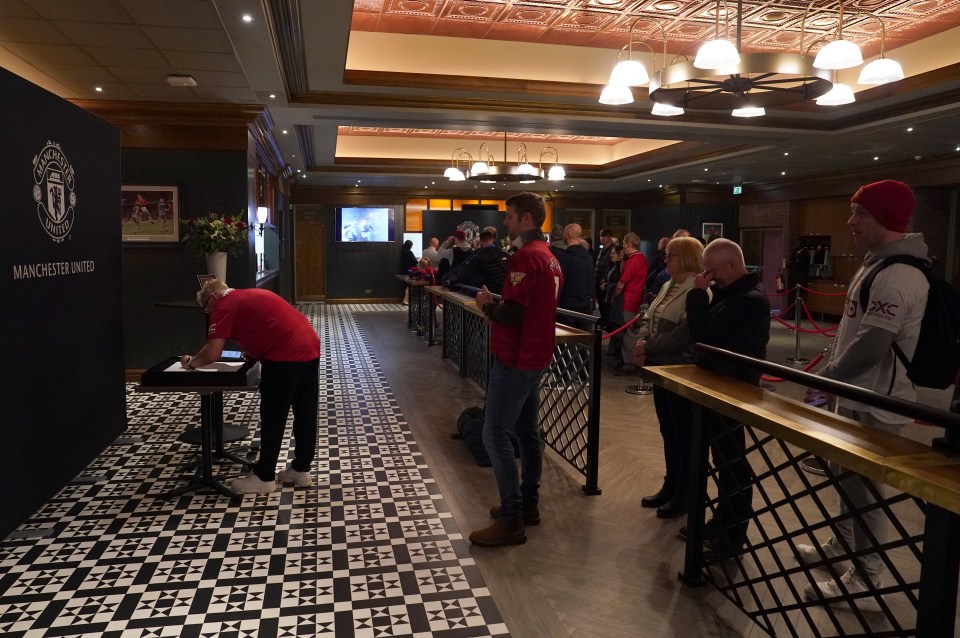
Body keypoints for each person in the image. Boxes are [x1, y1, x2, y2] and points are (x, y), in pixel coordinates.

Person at [797, 180, 929, 608]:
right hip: (855, 394)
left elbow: (871, 346)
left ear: (887, 218)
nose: (851, 222)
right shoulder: (876, 265)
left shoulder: (898, 274)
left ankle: (867, 579)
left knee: (867, 493)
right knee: (848, 483)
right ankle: (842, 548)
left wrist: (824, 381)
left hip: (877, 401)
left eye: (862, 214)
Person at [469, 192, 562, 547]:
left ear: (525, 219)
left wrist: (487, 306)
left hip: (516, 357)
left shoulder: (525, 258)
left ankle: (511, 518)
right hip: (536, 354)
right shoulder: (551, 258)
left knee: (495, 435)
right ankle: (528, 504)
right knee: (527, 432)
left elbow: (514, 314)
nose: (505, 223)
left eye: (509, 217)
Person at [180, 279, 321, 494]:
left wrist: (191, 362)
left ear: (213, 297)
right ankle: (301, 469)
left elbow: (212, 353)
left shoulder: (224, 305)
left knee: (273, 417)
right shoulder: (250, 294)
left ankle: (264, 477)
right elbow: (269, 324)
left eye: (206, 308)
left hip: (283, 358)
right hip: (310, 349)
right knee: (305, 413)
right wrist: (255, 352)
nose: (208, 313)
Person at [685, 238, 770, 559]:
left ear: (733, 266)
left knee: (733, 465)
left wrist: (696, 294)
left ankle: (731, 536)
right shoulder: (734, 294)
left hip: (734, 389)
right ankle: (720, 523)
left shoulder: (749, 301)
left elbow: (704, 334)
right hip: (719, 386)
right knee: (725, 461)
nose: (710, 278)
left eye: (713, 271)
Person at [635, 237, 705, 518]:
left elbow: (685, 333)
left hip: (679, 370)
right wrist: (642, 342)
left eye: (671, 256)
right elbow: (647, 318)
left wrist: (648, 346)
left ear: (686, 258)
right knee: (668, 430)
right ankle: (671, 483)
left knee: (682, 434)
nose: (665, 261)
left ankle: (685, 492)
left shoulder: (697, 289)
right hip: (660, 368)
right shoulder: (668, 284)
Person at [613, 232, 648, 376]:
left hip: (628, 300)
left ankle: (629, 363)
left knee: (628, 334)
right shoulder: (642, 258)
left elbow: (622, 283)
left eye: (624, 243)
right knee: (631, 332)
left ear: (627, 244)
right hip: (636, 299)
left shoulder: (632, 261)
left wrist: (614, 295)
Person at [550, 223, 595, 329]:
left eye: (565, 232)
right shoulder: (588, 257)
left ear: (569, 234)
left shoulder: (565, 257)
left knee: (566, 341)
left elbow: (560, 281)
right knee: (583, 340)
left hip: (567, 307)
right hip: (585, 306)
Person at [443, 226, 509, 294]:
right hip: (500, 295)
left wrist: (448, 280)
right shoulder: (504, 254)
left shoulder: (480, 254)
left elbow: (465, 270)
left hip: (484, 296)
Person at [595, 229, 618, 328]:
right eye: (601, 236)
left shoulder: (612, 250)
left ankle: (607, 323)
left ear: (609, 237)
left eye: (604, 236)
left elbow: (610, 267)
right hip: (598, 280)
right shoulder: (602, 249)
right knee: (601, 303)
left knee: (605, 304)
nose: (602, 238)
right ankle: (604, 321)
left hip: (605, 282)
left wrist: (604, 280)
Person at [400, 240, 418, 305]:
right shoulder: (409, 252)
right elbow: (415, 261)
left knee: (406, 285)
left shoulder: (403, 251)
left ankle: (405, 299)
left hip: (403, 270)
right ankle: (406, 300)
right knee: (408, 285)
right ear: (410, 246)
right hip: (409, 271)